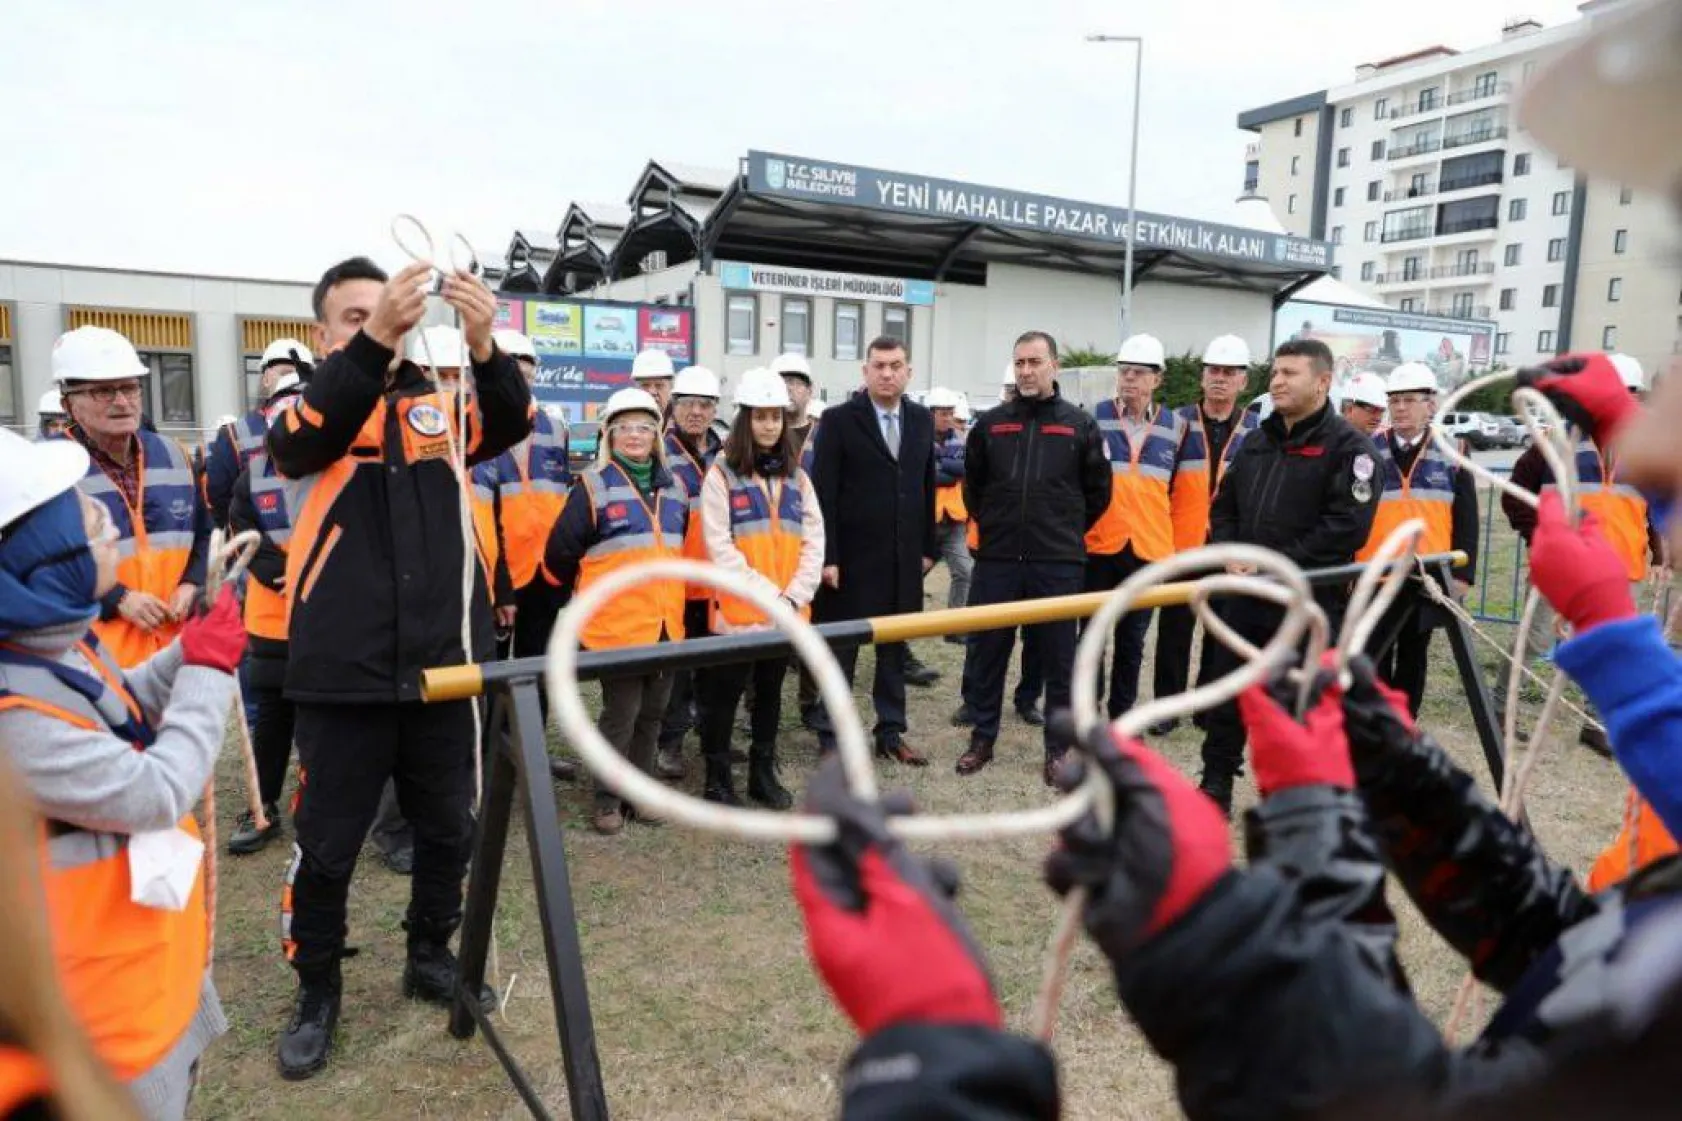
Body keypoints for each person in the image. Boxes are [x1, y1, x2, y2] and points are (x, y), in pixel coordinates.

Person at [266, 255, 529, 1079]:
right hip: (343, 670)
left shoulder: (434, 401)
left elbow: (511, 423)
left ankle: (429, 950)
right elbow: (299, 444)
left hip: (444, 666)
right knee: (329, 842)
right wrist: (372, 343)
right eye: (353, 315)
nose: (372, 323)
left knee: (449, 824)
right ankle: (317, 988)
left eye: (383, 312)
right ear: (323, 331)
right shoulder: (310, 399)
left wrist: (484, 345)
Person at [0, 427, 242, 1119]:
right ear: (39, 554)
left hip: (143, 956)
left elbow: (117, 704)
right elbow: (156, 791)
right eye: (83, 516)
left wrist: (183, 655)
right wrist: (207, 671)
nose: (106, 523)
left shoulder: (48, 642)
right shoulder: (11, 719)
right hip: (100, 1019)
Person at [1197, 337, 1380, 814]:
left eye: (1289, 373)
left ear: (1322, 382)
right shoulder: (1256, 442)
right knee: (1228, 695)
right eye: (1275, 372)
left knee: (1297, 708)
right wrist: (1231, 551)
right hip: (1244, 598)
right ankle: (1215, 782)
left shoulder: (1349, 449)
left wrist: (1273, 562)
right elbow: (1225, 508)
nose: (1276, 381)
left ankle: (1290, 799)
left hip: (1307, 604)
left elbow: (1346, 529)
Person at [955, 331, 1110, 782]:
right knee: (988, 652)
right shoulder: (992, 424)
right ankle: (982, 739)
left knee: (1058, 661)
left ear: (1054, 366)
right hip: (999, 561)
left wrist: (1060, 532)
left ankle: (1057, 750)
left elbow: (1098, 492)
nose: (1026, 370)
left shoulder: (1079, 425)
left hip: (1057, 563)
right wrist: (1000, 528)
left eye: (1035, 362)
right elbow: (973, 487)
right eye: (1019, 362)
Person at [542, 386, 686, 833]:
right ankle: (606, 799)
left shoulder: (675, 488)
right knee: (620, 716)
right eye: (625, 427)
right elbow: (559, 554)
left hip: (666, 627)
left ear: (657, 434)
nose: (635, 435)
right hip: (616, 631)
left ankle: (641, 794)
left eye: (644, 427)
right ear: (610, 434)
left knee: (652, 715)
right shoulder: (592, 486)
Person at [1500, 352, 1658, 757]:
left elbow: (1656, 508)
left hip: (1624, 568)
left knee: (1613, 650)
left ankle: (1598, 724)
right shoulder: (1555, 442)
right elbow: (1514, 494)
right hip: (1564, 568)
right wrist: (1540, 538)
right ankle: (1502, 708)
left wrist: (1657, 554)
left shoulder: (1645, 451)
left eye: (1629, 395)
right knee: (1532, 640)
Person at [808, 336, 939, 765]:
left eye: (895, 365)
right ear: (865, 371)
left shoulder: (921, 420)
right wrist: (828, 557)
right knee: (841, 651)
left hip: (903, 562)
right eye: (879, 366)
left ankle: (890, 732)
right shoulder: (838, 420)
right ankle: (832, 737)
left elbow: (925, 485)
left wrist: (928, 548)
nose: (887, 373)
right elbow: (824, 492)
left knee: (893, 652)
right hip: (850, 563)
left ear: (909, 372)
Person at [696, 368, 822, 808]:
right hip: (737, 614)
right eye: (761, 416)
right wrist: (771, 596)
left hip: (785, 614)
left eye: (776, 417)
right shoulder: (721, 475)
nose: (769, 424)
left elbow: (814, 541)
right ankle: (717, 778)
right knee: (723, 697)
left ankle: (761, 774)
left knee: (770, 695)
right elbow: (719, 548)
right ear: (745, 420)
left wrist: (793, 597)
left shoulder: (798, 478)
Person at [52, 326, 208, 669]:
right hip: (93, 662)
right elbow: (34, 565)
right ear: (69, 404)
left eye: (129, 388)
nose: (122, 401)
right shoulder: (47, 470)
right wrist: (116, 598)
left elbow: (203, 532)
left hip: (173, 656)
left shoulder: (174, 455)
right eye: (103, 391)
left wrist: (192, 583)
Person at [472, 329, 575, 780]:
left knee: (541, 666)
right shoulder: (473, 424)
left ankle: (532, 754)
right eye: (512, 374)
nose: (521, 382)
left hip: (545, 572)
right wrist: (498, 584)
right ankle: (490, 759)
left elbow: (562, 497)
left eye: (527, 374)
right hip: (498, 575)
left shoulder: (554, 427)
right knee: (491, 674)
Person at [1356, 363, 1479, 716]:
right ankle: (1376, 723)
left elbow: (1467, 519)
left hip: (1427, 576)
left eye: (1409, 400)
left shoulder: (1454, 450)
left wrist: (1461, 575)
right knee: (1374, 653)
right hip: (1376, 572)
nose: (1400, 408)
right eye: (1394, 401)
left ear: (1431, 404)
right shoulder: (1365, 448)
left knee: (1414, 654)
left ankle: (1405, 723)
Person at [1152, 334, 1261, 734]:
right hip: (1183, 547)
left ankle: (1209, 708)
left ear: (1243, 382)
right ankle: (1167, 709)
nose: (1220, 378)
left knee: (1221, 632)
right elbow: (1158, 486)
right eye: (1214, 370)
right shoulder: (1177, 423)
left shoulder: (1256, 431)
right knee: (1174, 632)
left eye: (1229, 372)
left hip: (1229, 550)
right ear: (1202, 377)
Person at [1083, 333, 1194, 723]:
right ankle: (1087, 711)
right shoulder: (1093, 417)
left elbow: (1183, 493)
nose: (1129, 378)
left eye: (1138, 372)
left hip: (1148, 551)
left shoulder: (1177, 427)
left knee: (1132, 642)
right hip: (1099, 546)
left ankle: (1121, 717)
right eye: (1124, 371)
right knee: (1092, 638)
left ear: (1157, 379)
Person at [223, 367, 308, 854]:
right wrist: (296, 577)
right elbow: (243, 543)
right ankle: (262, 806)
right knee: (274, 719)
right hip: (272, 622)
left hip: (329, 622)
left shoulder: (336, 469)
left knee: (327, 720)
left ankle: (316, 806)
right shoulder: (249, 479)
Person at [649, 365, 723, 780]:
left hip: (717, 581)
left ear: (715, 410)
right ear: (674, 406)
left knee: (716, 668)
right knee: (676, 672)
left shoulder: (726, 452)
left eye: (705, 404)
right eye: (688, 403)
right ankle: (670, 743)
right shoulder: (659, 452)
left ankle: (716, 737)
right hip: (676, 582)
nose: (696, 411)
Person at [204, 338, 312, 530]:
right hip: (258, 549)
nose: (294, 380)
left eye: (300, 373)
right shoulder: (235, 435)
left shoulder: (328, 423)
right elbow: (219, 500)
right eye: (286, 373)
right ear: (266, 378)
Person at [927, 386, 973, 622]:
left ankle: (955, 628)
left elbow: (961, 471)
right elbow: (929, 476)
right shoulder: (917, 439)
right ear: (931, 413)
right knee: (911, 578)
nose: (948, 418)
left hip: (953, 520)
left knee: (965, 572)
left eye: (950, 413)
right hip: (926, 522)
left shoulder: (959, 440)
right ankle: (903, 628)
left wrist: (940, 463)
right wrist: (947, 466)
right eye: (943, 413)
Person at [773, 352, 818, 456]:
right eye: (782, 383)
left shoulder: (824, 435)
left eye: (796, 383)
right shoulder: (760, 435)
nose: (788, 389)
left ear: (810, 391)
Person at [1340, 371, 1390, 437]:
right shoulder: (1326, 440)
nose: (1378, 418)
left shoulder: (1383, 443)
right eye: (1371, 409)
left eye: (1382, 411)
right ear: (1349, 409)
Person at [631, 348, 676, 413]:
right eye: (645, 385)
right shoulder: (620, 420)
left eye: (659, 385)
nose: (652, 392)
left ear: (671, 388)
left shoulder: (683, 421)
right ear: (635, 388)